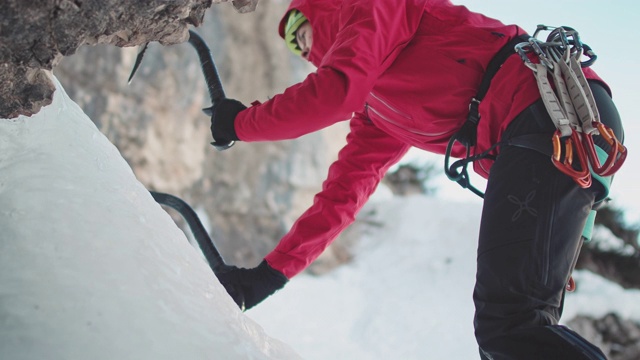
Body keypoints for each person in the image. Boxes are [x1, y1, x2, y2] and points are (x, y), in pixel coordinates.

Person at [210, 0, 625, 358]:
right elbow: (341, 197)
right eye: (293, 44)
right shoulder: (379, 113)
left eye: (300, 27)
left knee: (511, 321)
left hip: (552, 110)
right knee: (509, 336)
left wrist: (240, 123)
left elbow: (334, 90)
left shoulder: (377, 9)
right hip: (550, 132)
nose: (302, 47)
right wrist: (265, 277)